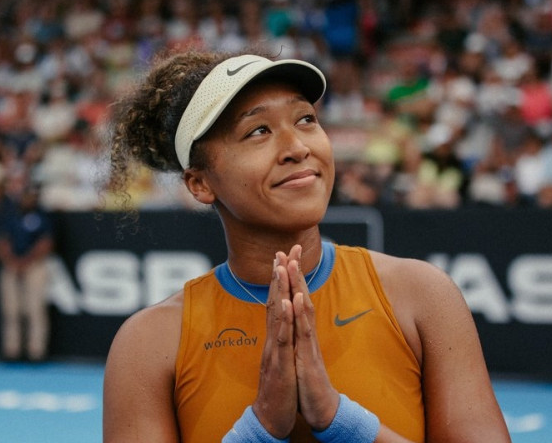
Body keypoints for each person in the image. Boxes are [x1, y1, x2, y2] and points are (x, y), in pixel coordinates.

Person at [103, 50, 511, 442]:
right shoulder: (148, 344)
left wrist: (339, 419)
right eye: (258, 131)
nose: (298, 147)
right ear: (200, 183)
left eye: (306, 119)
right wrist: (261, 428)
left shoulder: (423, 296)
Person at [0, 185, 54, 361]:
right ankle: (12, 351)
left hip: (34, 266)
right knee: (10, 310)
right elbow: (1, 241)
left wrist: (27, 261)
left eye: (32, 196)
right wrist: (12, 261)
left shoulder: (43, 217)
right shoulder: (10, 216)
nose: (29, 199)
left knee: (35, 309)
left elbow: (46, 242)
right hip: (11, 265)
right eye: (26, 196)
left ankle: (36, 351)